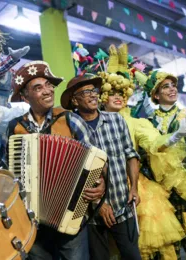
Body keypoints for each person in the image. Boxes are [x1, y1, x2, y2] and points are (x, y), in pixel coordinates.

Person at [6, 61, 105, 260]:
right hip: (31, 218)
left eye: (49, 85)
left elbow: (97, 159)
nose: (47, 91)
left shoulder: (70, 119)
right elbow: (7, 171)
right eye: (38, 87)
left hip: (71, 212)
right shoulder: (15, 127)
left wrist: (101, 182)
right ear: (25, 97)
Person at [85, 64, 186, 259]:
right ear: (103, 96)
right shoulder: (88, 122)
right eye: (112, 92)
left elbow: (153, 143)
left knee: (142, 248)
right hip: (99, 192)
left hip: (134, 189)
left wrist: (174, 137)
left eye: (121, 92)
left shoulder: (137, 122)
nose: (118, 96)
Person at [61, 73, 142, 260]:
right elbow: (73, 171)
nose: (93, 95)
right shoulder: (69, 126)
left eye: (94, 90)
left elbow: (131, 155)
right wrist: (99, 204)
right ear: (75, 100)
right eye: (86, 91)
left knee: (133, 256)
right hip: (90, 216)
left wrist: (135, 187)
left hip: (122, 205)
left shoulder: (116, 120)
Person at [142, 71, 186, 260]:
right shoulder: (148, 123)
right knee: (169, 248)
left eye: (173, 85)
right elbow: (147, 155)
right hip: (162, 195)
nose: (172, 89)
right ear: (155, 94)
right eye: (165, 86)